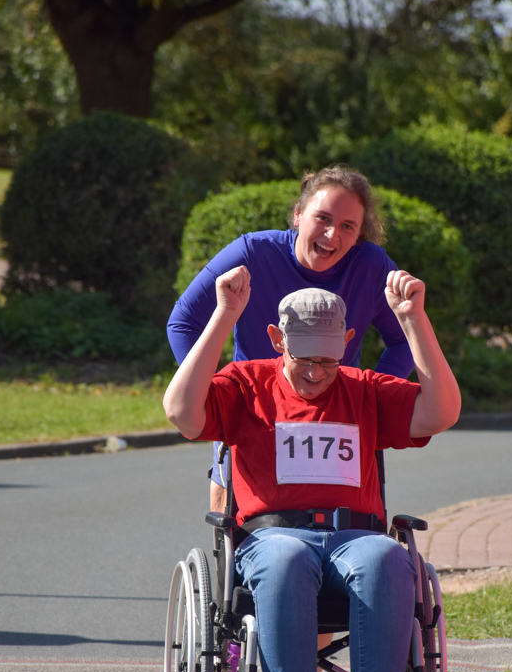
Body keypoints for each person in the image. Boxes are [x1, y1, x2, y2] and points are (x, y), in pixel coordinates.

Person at [163, 264, 461, 672]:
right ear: (278, 340)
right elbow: (182, 412)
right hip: (273, 537)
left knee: (390, 559)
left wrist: (414, 321)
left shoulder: (364, 388)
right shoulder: (246, 383)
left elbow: (440, 412)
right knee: (282, 561)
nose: (318, 373)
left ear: (348, 343)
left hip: (357, 537)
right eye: (305, 360)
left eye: (330, 359)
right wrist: (225, 314)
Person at [167, 165, 414, 512]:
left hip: (335, 409)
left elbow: (406, 340)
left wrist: (374, 397)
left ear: (359, 234)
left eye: (347, 226)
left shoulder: (370, 267)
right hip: (253, 409)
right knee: (229, 506)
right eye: (322, 218)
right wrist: (209, 393)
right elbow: (183, 322)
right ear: (298, 215)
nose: (332, 235)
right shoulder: (252, 254)